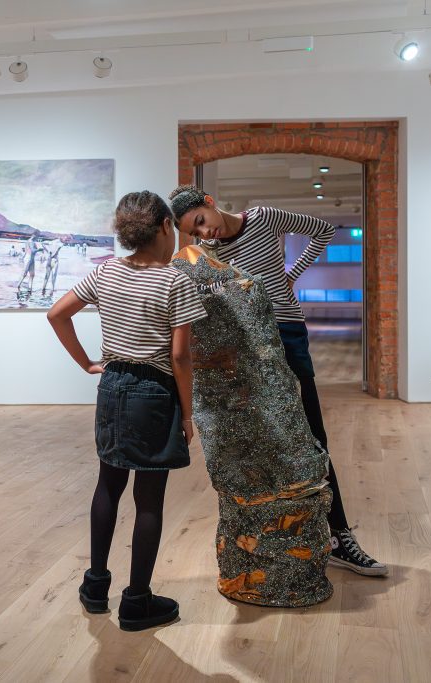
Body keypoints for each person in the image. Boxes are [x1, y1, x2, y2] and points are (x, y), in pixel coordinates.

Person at [168, 184, 387, 577]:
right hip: (246, 346)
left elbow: (322, 229)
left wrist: (292, 274)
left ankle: (338, 535)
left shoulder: (265, 217)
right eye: (194, 232)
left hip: (286, 332)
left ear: (211, 203)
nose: (205, 234)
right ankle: (271, 543)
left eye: (201, 222)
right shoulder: (209, 254)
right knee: (260, 441)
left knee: (312, 436)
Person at [47, 191, 207, 631]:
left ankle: (95, 585)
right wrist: (189, 414)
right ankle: (137, 601)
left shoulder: (105, 272)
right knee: (149, 500)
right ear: (163, 228)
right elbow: (180, 357)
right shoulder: (175, 281)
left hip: (112, 386)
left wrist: (86, 363)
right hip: (153, 393)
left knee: (108, 485)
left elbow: (57, 314)